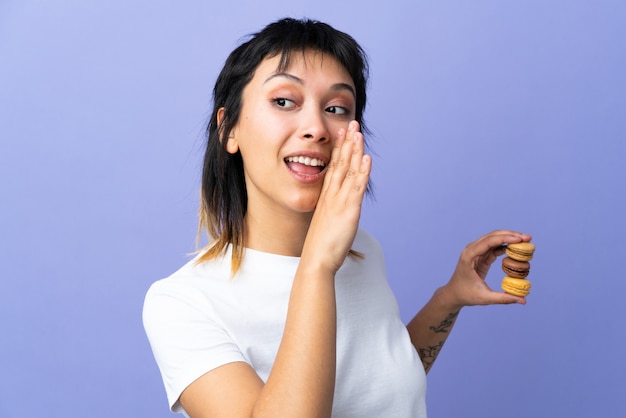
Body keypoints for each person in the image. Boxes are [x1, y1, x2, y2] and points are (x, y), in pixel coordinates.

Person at [142, 17, 532, 418]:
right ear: (229, 130)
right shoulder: (183, 304)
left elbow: (386, 385)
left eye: (336, 108)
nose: (316, 128)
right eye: (284, 101)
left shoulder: (362, 251)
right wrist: (317, 266)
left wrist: (450, 298)